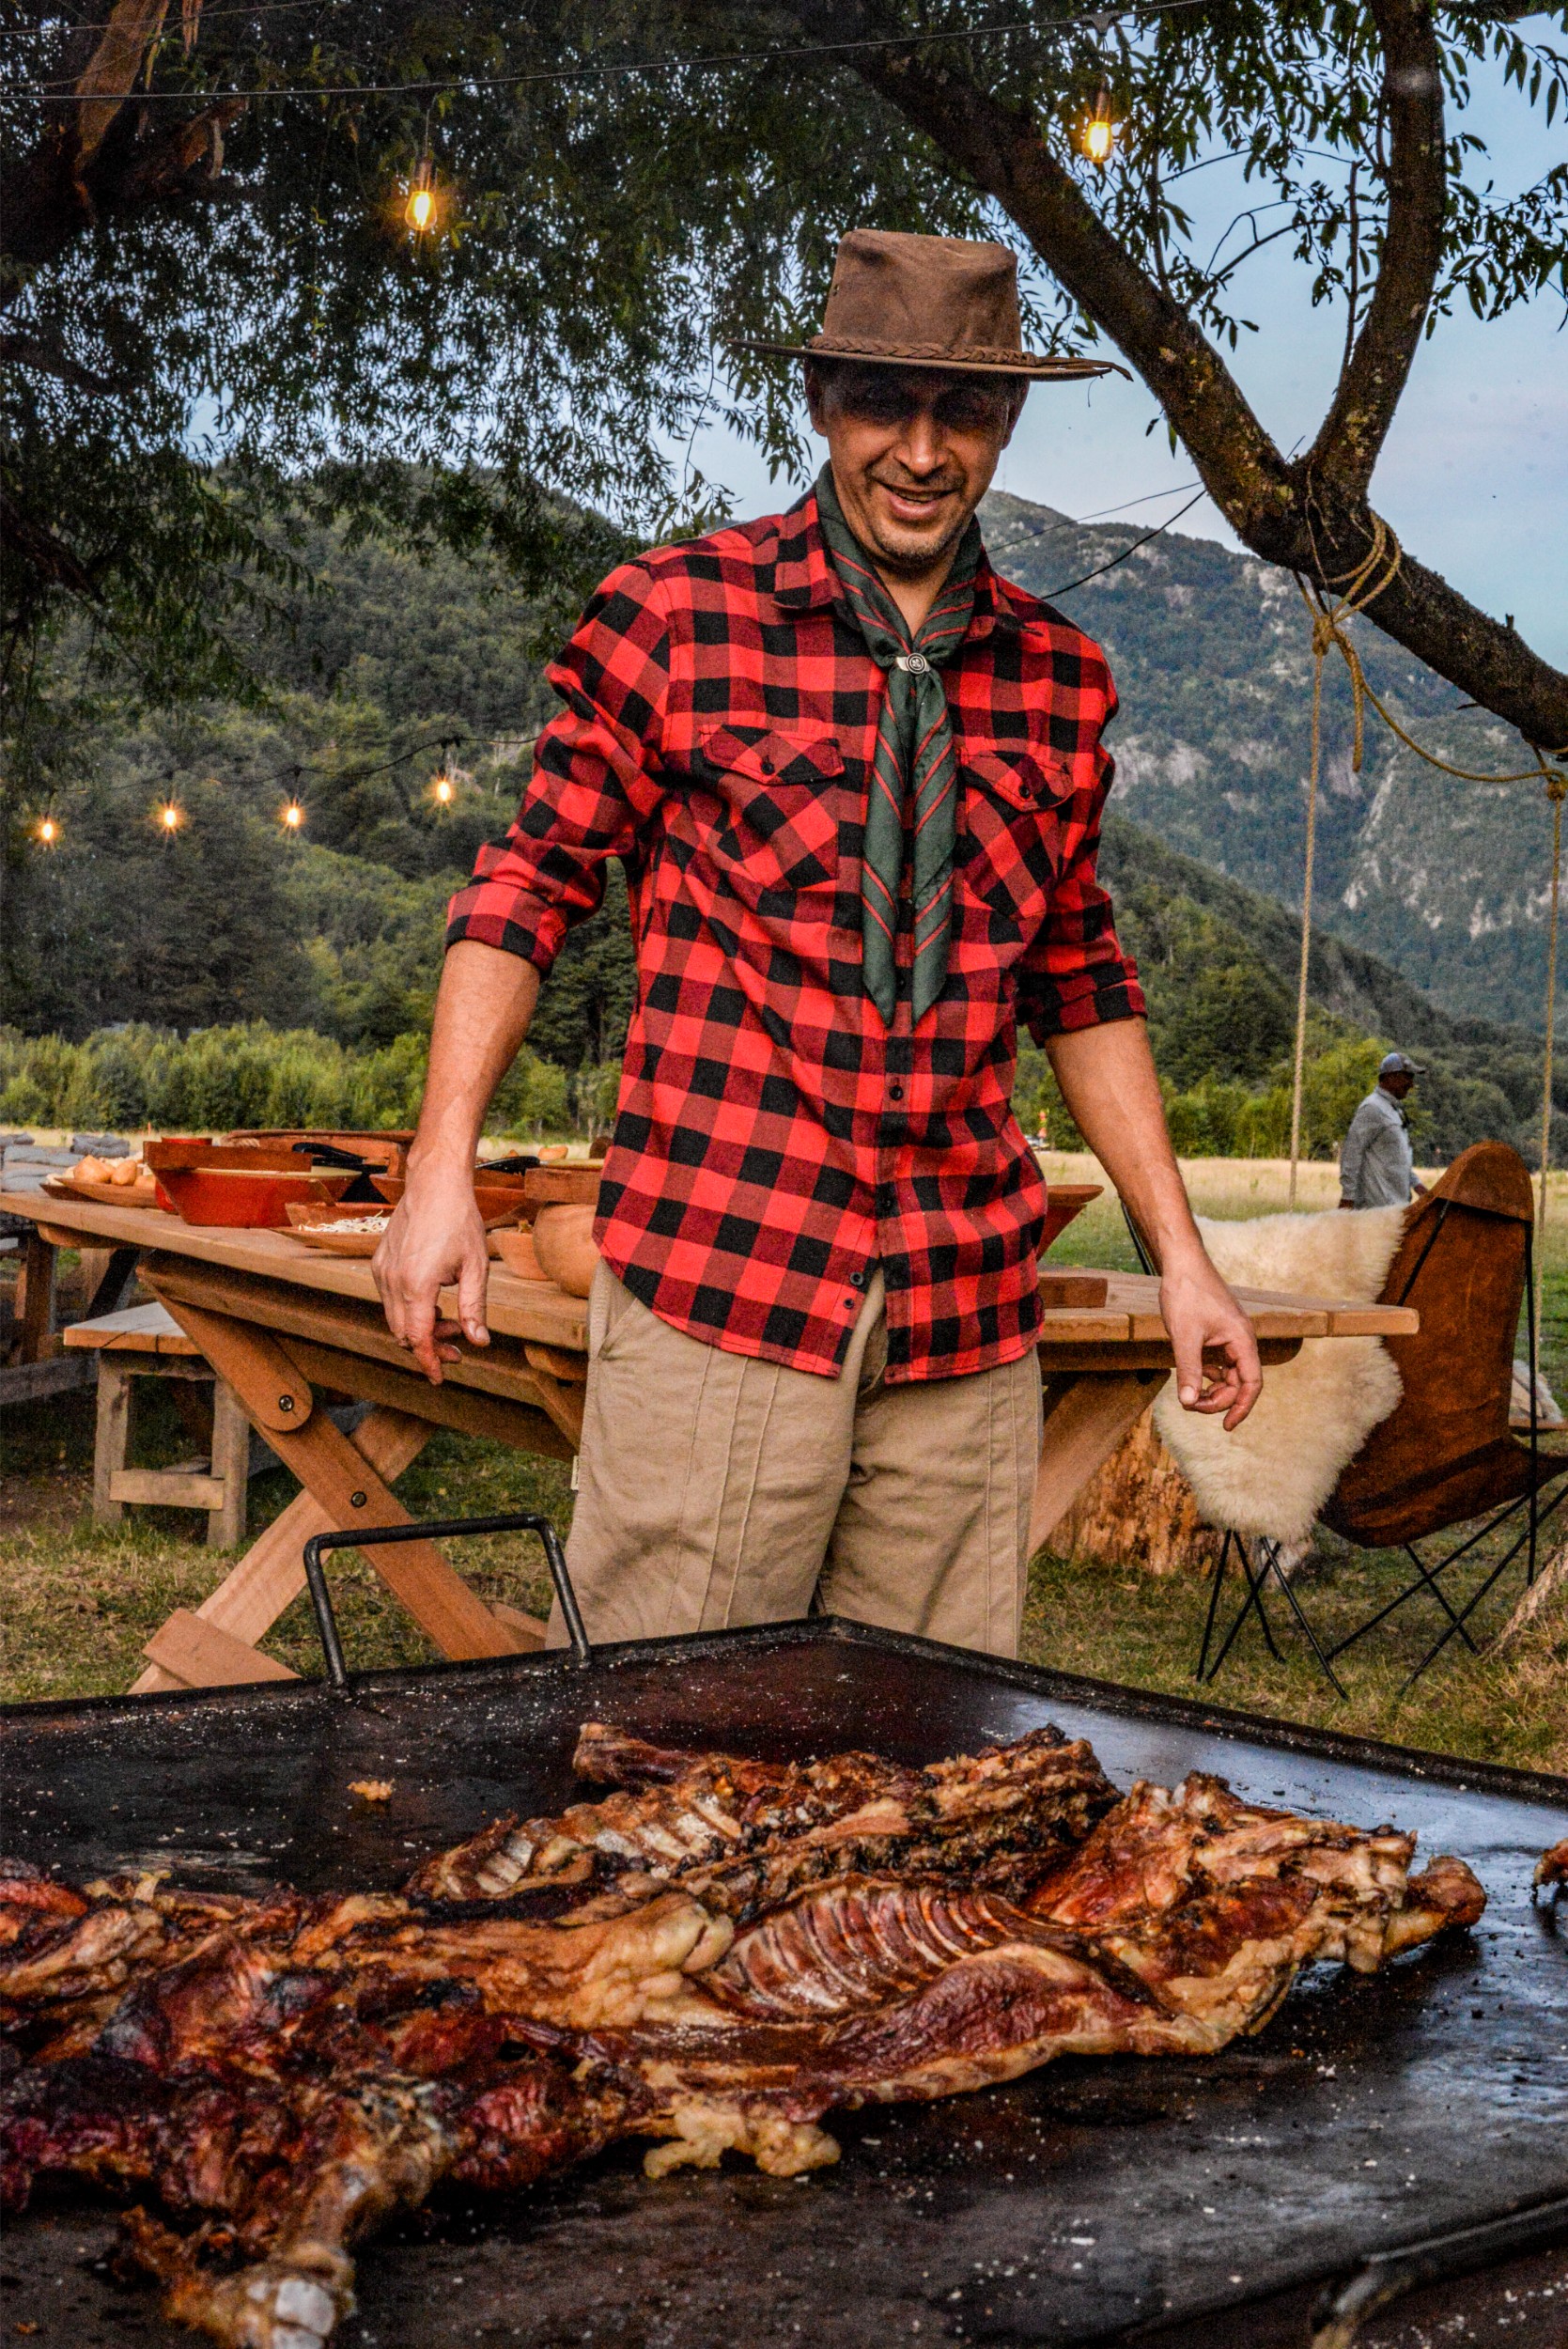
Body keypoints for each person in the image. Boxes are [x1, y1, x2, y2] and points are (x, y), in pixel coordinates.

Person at [373, 227, 1261, 1657]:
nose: (920, 450)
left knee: (920, 1781)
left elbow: (1081, 978)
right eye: (879, 404)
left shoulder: (1060, 678)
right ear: (820, 403)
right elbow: (524, 889)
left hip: (962, 1317)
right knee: (665, 1754)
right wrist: (438, 1176)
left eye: (962, 411)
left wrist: (1185, 1260)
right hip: (725, 1285)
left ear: (1008, 421)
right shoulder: (674, 615)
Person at [1340, 1051, 1427, 1209]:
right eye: (1407, 1077)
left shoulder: (1395, 1110)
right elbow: (1352, 1153)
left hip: (1397, 1207)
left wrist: (1416, 1184)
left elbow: (1397, 1158)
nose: (1411, 1084)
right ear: (1390, 1077)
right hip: (1375, 1210)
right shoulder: (1372, 1108)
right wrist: (1348, 1198)